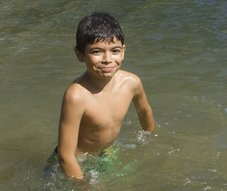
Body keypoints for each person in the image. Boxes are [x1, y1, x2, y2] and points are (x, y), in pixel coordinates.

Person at [48, 12, 155, 180]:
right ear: (80, 55)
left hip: (104, 153)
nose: (107, 59)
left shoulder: (131, 83)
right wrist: (83, 189)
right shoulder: (76, 96)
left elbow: (145, 112)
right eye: (97, 52)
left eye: (115, 51)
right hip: (73, 165)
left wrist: (149, 139)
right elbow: (65, 156)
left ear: (123, 51)